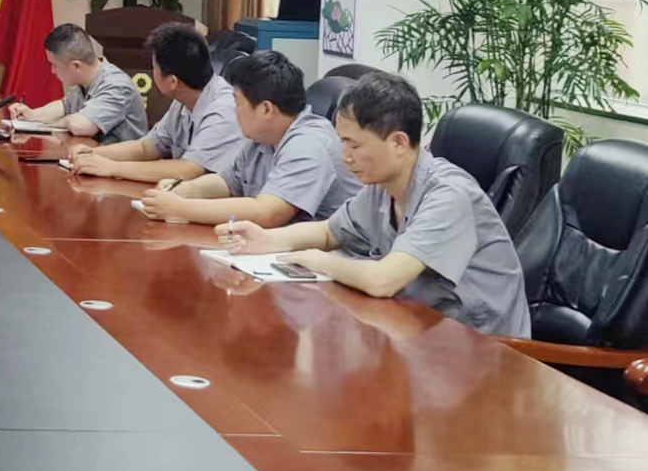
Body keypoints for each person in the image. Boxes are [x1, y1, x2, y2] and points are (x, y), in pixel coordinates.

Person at [218, 72, 531, 337]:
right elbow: (329, 232)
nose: (345, 157)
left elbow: (383, 280)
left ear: (398, 142)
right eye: (342, 143)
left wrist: (315, 260)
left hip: (484, 351)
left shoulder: (450, 195)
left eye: (354, 145)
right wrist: (265, 239)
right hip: (420, 331)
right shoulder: (383, 187)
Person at [140, 51, 360, 226]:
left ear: (266, 109)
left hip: (336, 257)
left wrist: (180, 209)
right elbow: (227, 182)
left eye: (237, 102)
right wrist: (182, 190)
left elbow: (268, 213)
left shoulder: (309, 143)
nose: (234, 111)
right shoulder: (263, 137)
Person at [66, 23, 248, 185]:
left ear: (173, 81)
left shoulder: (224, 109)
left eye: (154, 67)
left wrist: (112, 168)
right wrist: (94, 153)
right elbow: (146, 147)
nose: (153, 72)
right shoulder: (184, 99)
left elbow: (189, 170)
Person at [6, 23, 146, 140]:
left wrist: (57, 123)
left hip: (121, 163)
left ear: (76, 66)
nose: (53, 71)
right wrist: (33, 115)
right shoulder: (87, 81)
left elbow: (82, 126)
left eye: (55, 65)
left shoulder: (116, 85)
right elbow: (65, 106)